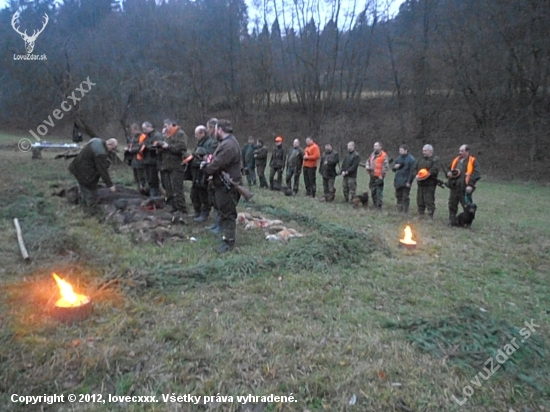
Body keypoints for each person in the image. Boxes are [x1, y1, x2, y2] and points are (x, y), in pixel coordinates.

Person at [203, 119, 242, 253]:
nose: (214, 132)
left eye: (216, 129)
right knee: (225, 212)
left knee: (228, 215)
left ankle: (228, 242)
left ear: (220, 130)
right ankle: (226, 239)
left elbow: (216, 164)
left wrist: (207, 167)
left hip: (227, 186)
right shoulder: (227, 143)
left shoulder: (228, 145)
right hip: (224, 184)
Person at [68, 137, 118, 215]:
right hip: (84, 172)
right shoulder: (100, 152)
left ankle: (83, 208)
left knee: (83, 190)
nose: (112, 151)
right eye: (112, 148)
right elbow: (102, 171)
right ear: (109, 144)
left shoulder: (96, 141)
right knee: (89, 192)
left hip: (76, 167)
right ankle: (89, 213)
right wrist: (110, 185)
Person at [187, 125, 218, 223]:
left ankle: (205, 213)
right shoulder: (201, 142)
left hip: (203, 171)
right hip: (196, 170)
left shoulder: (210, 143)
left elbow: (209, 156)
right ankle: (198, 211)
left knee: (203, 194)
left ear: (202, 133)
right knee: (194, 194)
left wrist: (201, 159)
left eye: (197, 134)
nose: (195, 136)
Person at [157, 119, 188, 214]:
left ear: (171, 125)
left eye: (166, 126)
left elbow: (182, 147)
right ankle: (173, 206)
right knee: (169, 188)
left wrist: (168, 146)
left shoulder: (180, 134)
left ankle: (182, 208)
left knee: (177, 188)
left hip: (176, 165)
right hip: (166, 165)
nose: (164, 128)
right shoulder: (167, 136)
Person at [446, 144, 481, 225]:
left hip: (465, 188)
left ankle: (468, 222)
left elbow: (476, 173)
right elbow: (449, 169)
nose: (459, 152)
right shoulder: (456, 160)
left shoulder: (473, 161)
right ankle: (452, 221)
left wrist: (470, 185)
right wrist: (448, 173)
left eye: (462, 151)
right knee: (452, 204)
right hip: (454, 187)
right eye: (459, 151)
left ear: (467, 151)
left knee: (468, 206)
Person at [413, 144, 441, 219]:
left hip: (430, 183)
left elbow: (435, 169)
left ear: (430, 151)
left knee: (429, 200)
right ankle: (421, 214)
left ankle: (430, 215)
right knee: (420, 199)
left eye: (425, 151)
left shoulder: (435, 159)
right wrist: (416, 175)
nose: (423, 152)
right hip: (420, 183)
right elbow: (415, 168)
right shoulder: (420, 159)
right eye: (423, 151)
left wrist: (427, 174)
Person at [140, 121, 163, 198]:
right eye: (143, 129)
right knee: (149, 179)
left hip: (153, 161)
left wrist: (146, 147)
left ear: (150, 127)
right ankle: (151, 195)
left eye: (145, 128)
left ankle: (155, 196)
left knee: (154, 179)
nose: (144, 131)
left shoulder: (157, 135)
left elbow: (156, 147)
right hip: (147, 160)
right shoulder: (147, 136)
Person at [365, 141, 390, 210]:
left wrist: (382, 176)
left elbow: (386, 167)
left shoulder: (384, 155)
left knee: (378, 192)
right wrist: (367, 166)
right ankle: (374, 204)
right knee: (373, 191)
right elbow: (368, 161)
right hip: (372, 176)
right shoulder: (372, 154)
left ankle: (379, 207)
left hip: (379, 177)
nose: (375, 147)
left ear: (380, 147)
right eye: (374, 146)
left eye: (376, 146)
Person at [124, 123, 147, 194]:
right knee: (136, 178)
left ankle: (144, 191)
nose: (131, 132)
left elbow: (141, 147)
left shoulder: (142, 137)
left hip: (140, 160)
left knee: (142, 178)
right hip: (134, 160)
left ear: (137, 129)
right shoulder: (133, 138)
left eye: (132, 130)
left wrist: (131, 150)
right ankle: (139, 191)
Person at [393, 144, 416, 214]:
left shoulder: (411, 159)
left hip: (406, 181)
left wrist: (409, 181)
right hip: (398, 180)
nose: (400, 152)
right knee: (398, 196)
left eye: (401, 150)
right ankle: (399, 209)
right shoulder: (398, 158)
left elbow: (412, 172)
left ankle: (405, 211)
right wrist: (395, 167)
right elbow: (394, 169)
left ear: (406, 150)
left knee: (405, 196)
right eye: (399, 150)